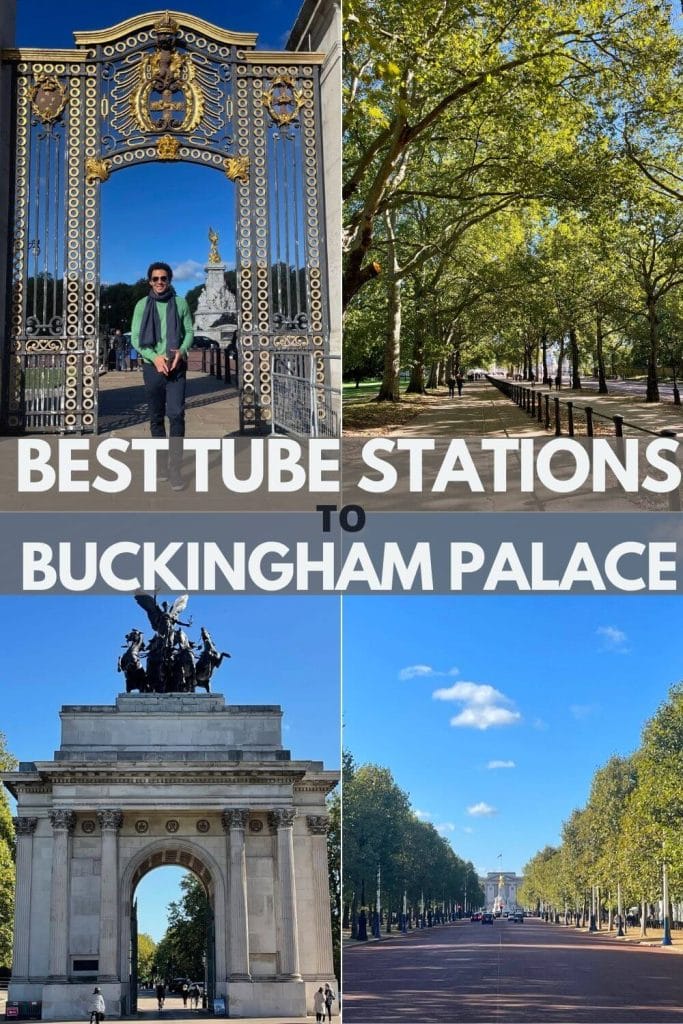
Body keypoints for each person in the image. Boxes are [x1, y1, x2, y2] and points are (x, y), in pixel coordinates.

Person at [131, 261, 193, 489]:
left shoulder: (180, 302)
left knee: (176, 415)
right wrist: (154, 357)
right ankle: (161, 466)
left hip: (176, 366)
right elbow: (136, 338)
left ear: (169, 280)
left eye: (163, 278)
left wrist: (183, 351)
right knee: (156, 418)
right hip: (152, 367)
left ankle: (175, 468)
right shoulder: (141, 305)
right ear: (150, 281)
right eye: (155, 279)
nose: (160, 282)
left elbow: (189, 331)